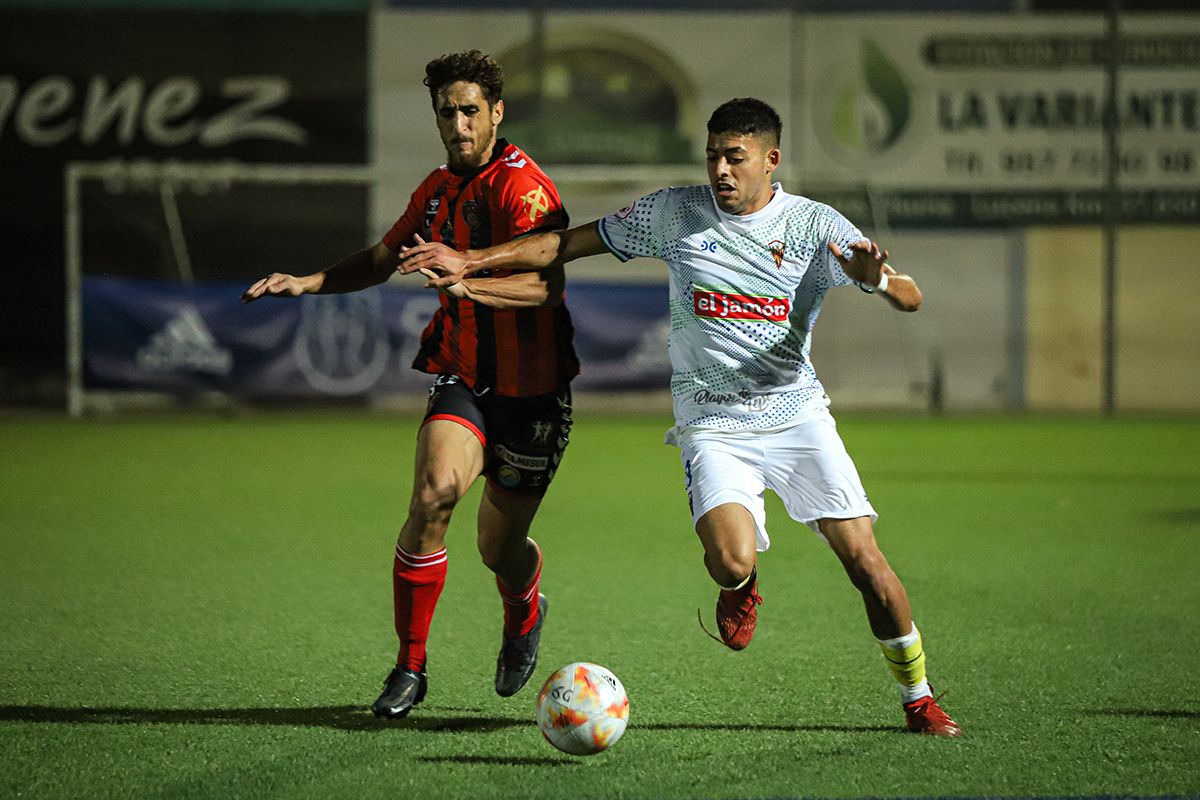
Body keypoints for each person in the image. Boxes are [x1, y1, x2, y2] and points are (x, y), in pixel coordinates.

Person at [400, 97, 961, 736]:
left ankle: (919, 698)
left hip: (798, 416)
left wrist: (878, 281)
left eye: (736, 157)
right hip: (713, 422)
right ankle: (740, 586)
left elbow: (909, 295)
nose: (721, 169)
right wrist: (471, 260)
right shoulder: (675, 213)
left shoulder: (813, 226)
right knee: (728, 560)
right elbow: (565, 243)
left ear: (771, 162)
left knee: (866, 563)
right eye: (713, 154)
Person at [241, 50, 578, 720]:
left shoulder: (525, 190)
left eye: (470, 111)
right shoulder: (435, 192)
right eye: (447, 111)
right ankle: (411, 667)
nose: (458, 123)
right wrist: (311, 281)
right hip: (464, 380)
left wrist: (469, 280)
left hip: (535, 395)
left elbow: (548, 285)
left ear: (496, 113)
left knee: (497, 548)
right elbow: (382, 257)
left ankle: (524, 604)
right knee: (433, 497)